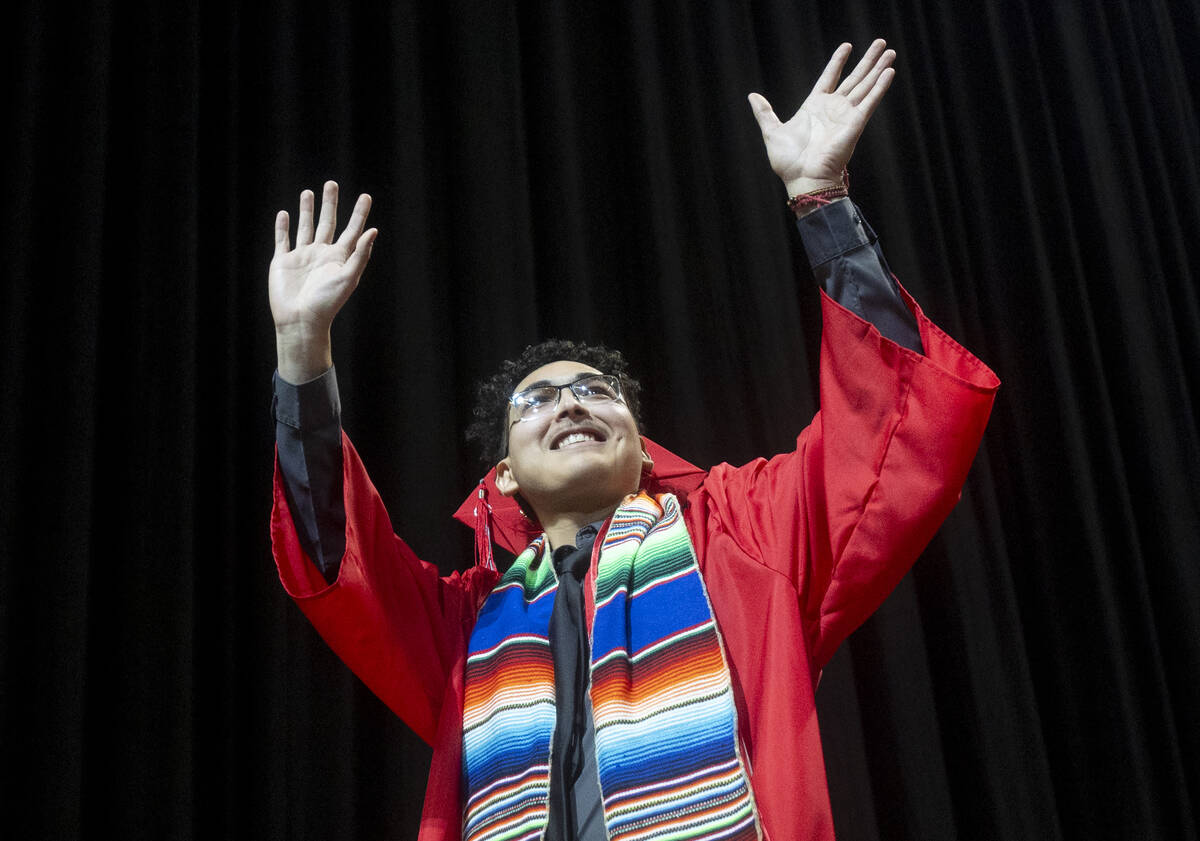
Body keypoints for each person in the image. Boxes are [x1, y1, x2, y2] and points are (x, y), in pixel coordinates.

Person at [268, 40, 999, 841]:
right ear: (504, 476)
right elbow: (341, 564)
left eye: (595, 391)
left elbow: (886, 434)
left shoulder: (740, 537)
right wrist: (303, 352)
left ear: (644, 450)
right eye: (538, 401)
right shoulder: (466, 623)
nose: (571, 404)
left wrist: (821, 202)